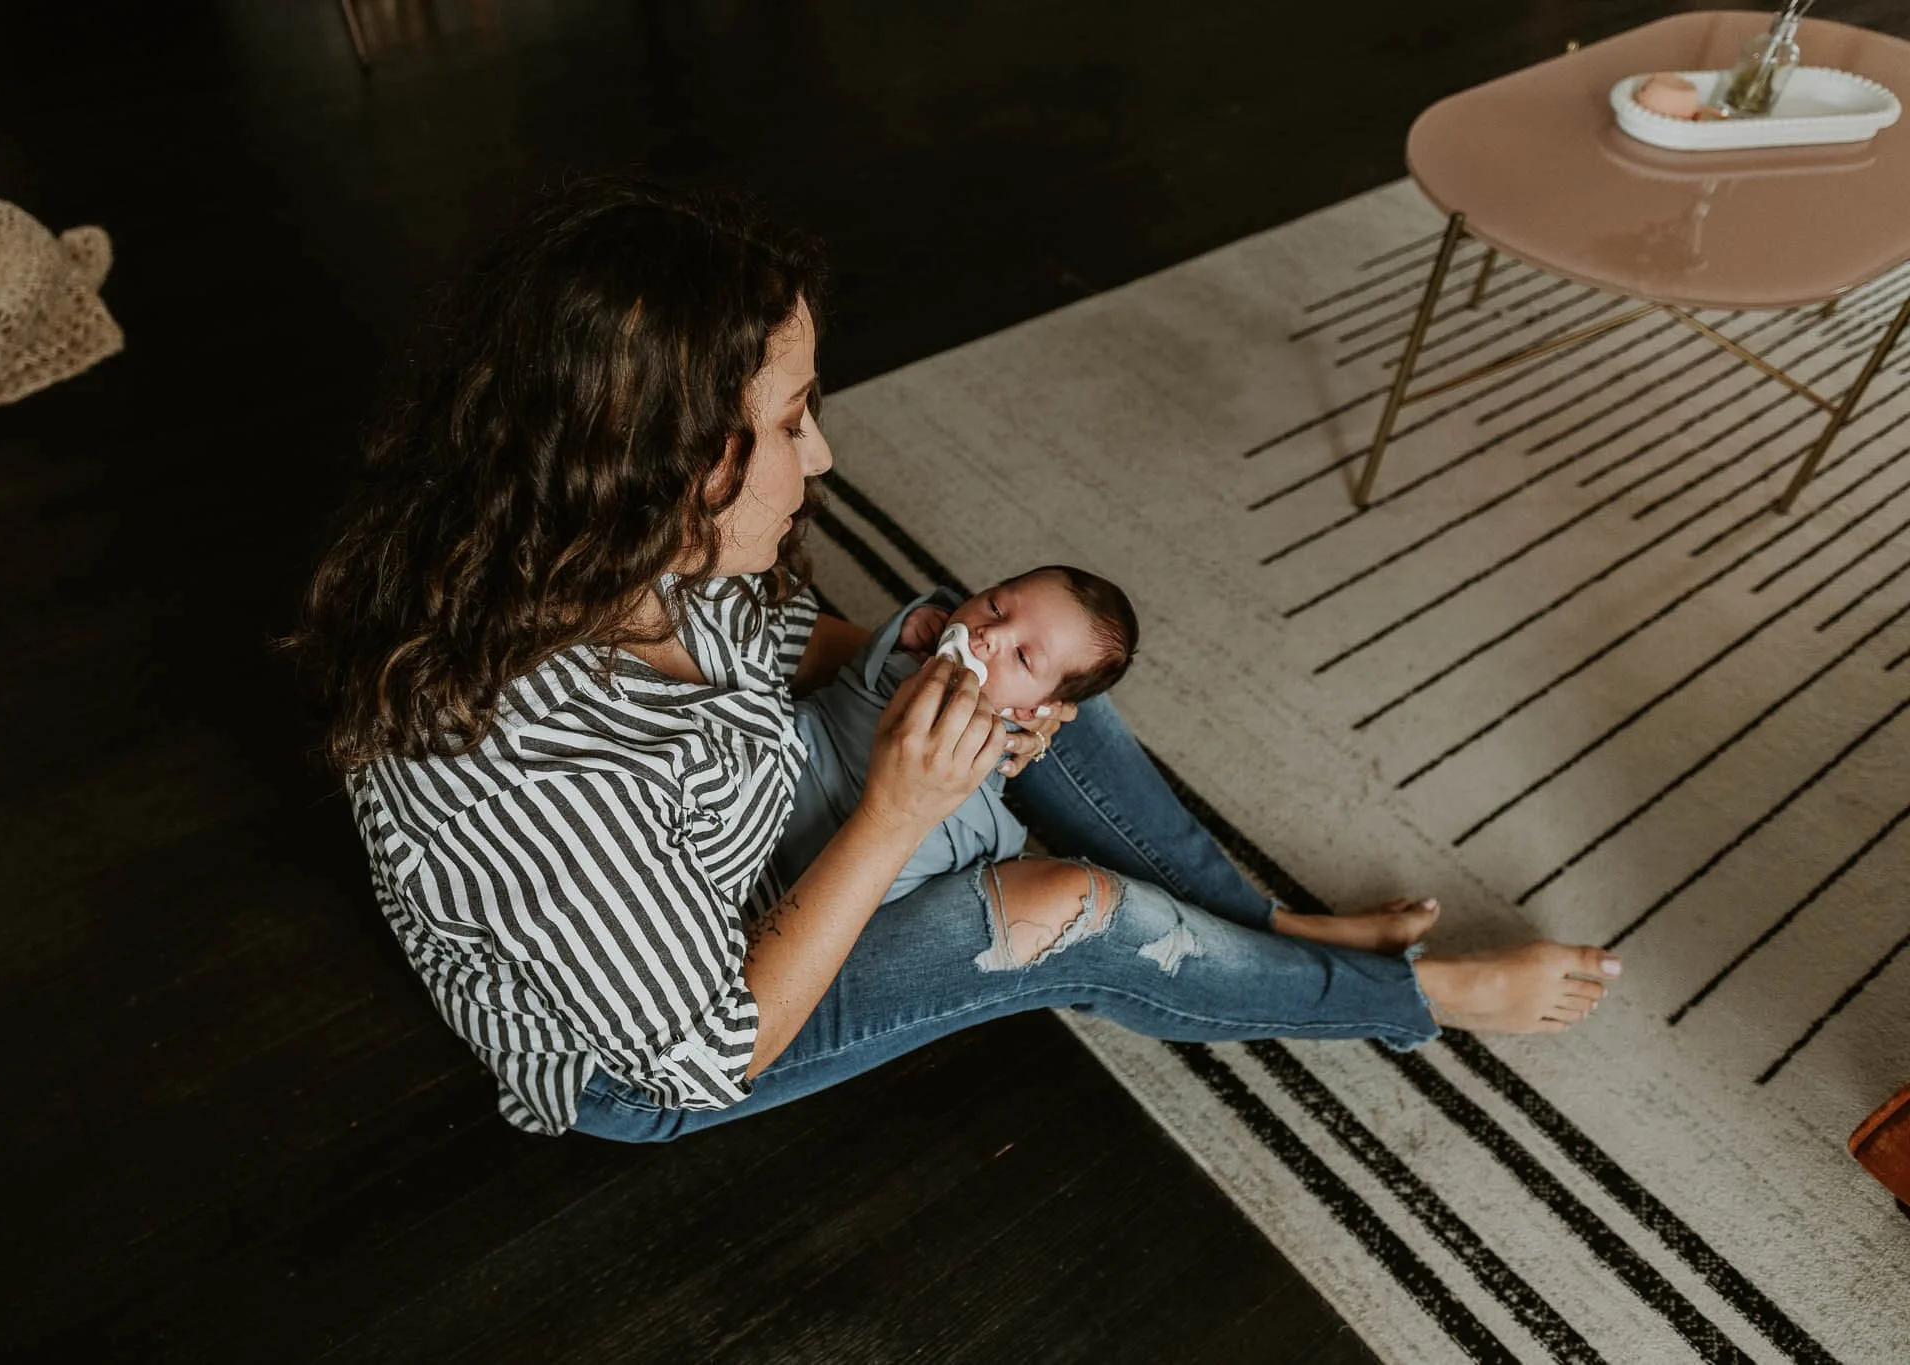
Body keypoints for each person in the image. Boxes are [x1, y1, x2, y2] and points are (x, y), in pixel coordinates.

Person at [294, 174, 1622, 1143]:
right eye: (794, 417)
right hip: (668, 1036)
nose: (822, 455)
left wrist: (946, 671)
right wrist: (899, 810)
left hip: (738, 820)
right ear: (665, 466)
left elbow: (763, 646)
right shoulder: (509, 758)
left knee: (989, 645)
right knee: (1056, 904)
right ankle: (1405, 998)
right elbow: (699, 1052)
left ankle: (1261, 924)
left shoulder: (603, 536)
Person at [778, 564, 1140, 904]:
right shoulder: (920, 650)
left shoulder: (988, 745)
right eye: (996, 607)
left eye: (1023, 657)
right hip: (794, 758)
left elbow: (959, 833)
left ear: (1037, 711)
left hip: (851, 871)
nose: (990, 635)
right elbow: (856, 682)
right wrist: (900, 638)